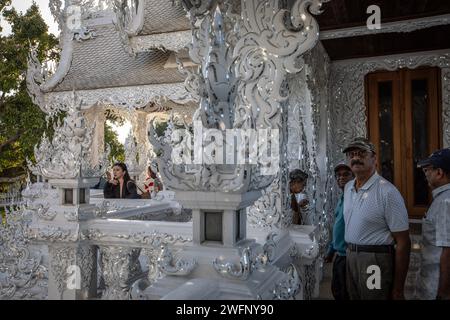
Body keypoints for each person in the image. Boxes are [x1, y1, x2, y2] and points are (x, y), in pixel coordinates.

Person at [342, 137, 410, 300]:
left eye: (361, 153)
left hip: (374, 262)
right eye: (351, 154)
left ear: (374, 158)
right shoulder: (348, 187)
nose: (355, 158)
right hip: (351, 256)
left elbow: (403, 242)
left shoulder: (387, 192)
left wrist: (398, 289)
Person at [416, 148, 450, 300]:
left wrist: (443, 293)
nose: (425, 174)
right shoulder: (442, 198)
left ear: (439, 172)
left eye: (427, 170)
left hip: (435, 287)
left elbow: (448, 251)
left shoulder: (446, 202)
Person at [324, 163, 354, 300]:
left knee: (346, 293)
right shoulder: (342, 198)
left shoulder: (355, 198)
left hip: (351, 256)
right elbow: (338, 226)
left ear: (353, 177)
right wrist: (331, 250)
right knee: (338, 291)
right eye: (338, 175)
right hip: (340, 255)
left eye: (346, 175)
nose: (341, 178)